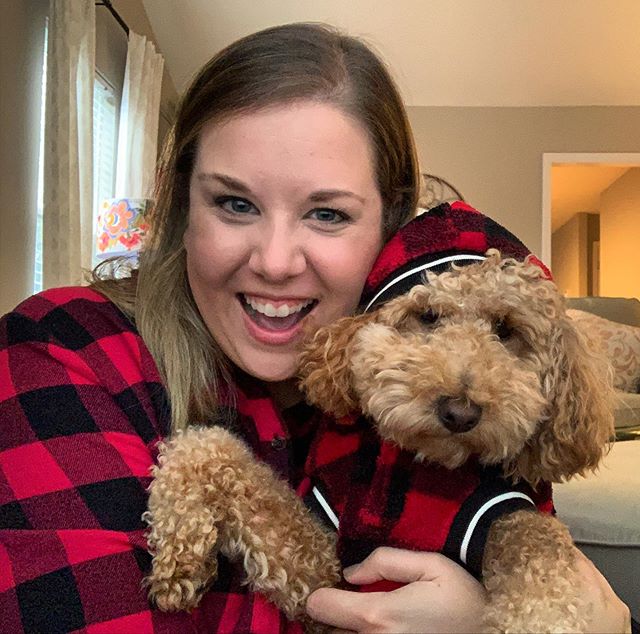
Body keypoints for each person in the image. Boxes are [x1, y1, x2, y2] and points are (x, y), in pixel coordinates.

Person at [0, 22, 632, 634]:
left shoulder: (370, 421)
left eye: (327, 213)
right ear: (181, 206)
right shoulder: (61, 349)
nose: (275, 262)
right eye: (235, 203)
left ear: (389, 230)